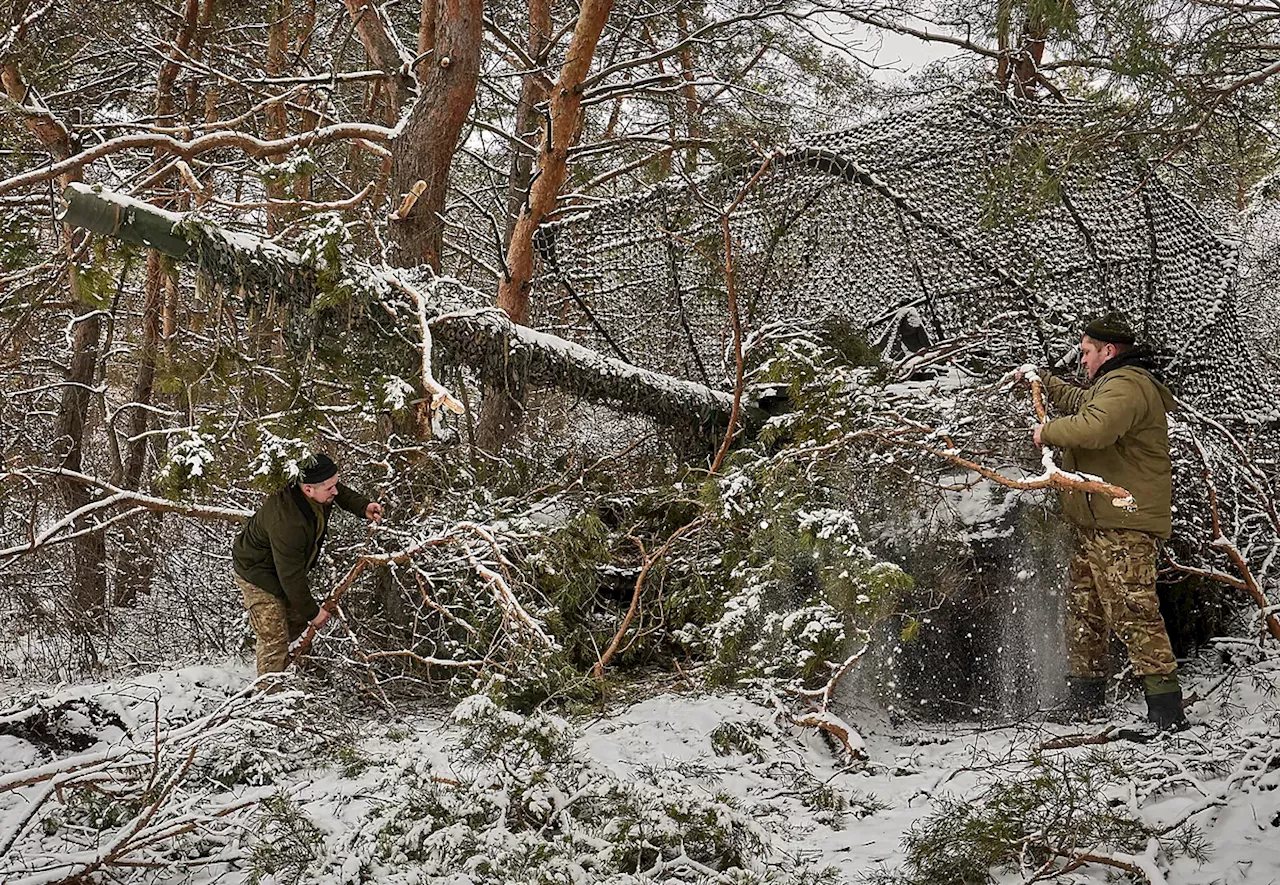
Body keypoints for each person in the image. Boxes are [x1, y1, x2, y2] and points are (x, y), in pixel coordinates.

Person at [1023, 314, 1186, 731]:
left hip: (1123, 524)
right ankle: (1085, 704)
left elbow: (1096, 427)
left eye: (1087, 352)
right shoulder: (1109, 386)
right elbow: (1084, 404)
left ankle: (1167, 714)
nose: (1082, 359)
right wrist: (1043, 381)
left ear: (1108, 351)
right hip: (1096, 524)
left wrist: (1048, 432)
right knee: (1085, 612)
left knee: (1134, 611)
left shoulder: (1129, 385)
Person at [232, 454, 383, 676]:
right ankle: (269, 697)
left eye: (335, 484)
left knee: (298, 624)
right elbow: (290, 577)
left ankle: (304, 681)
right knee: (274, 636)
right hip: (257, 572)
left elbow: (337, 490)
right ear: (308, 490)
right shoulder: (288, 521)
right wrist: (313, 612)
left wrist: (363, 507)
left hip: (283, 567)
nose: (336, 491)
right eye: (329, 488)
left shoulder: (315, 486)